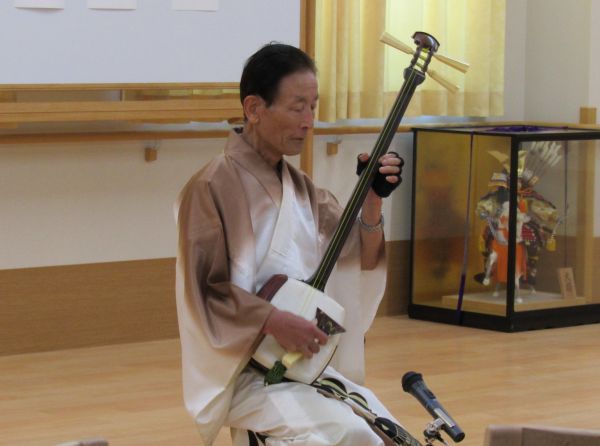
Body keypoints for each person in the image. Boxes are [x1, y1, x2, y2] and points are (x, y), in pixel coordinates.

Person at [175, 43, 406, 446]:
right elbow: (206, 293)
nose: (309, 121)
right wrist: (273, 320)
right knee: (350, 434)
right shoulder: (210, 187)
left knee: (390, 435)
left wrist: (372, 201)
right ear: (253, 108)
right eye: (298, 107)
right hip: (245, 373)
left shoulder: (303, 189)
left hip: (302, 365)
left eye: (313, 107)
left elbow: (355, 260)